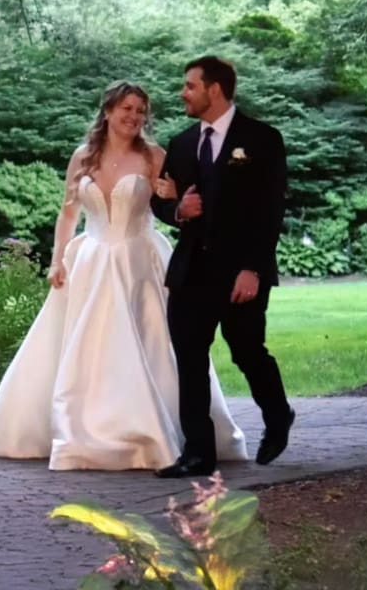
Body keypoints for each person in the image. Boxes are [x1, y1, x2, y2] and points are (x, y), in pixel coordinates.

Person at [0, 81, 247, 470]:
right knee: (87, 348)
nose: (134, 116)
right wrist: (57, 260)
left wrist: (173, 196)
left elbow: (178, 208)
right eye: (126, 108)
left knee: (150, 344)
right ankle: (83, 430)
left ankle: (150, 431)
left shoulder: (154, 156)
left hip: (139, 262)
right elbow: (68, 214)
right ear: (108, 111)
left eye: (140, 110)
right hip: (90, 261)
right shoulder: (83, 157)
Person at [150, 56, 294, 478]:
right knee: (190, 358)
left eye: (190, 86)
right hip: (191, 270)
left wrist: (253, 268)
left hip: (239, 273)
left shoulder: (262, 139)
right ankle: (198, 454)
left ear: (214, 89)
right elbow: (159, 200)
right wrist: (178, 210)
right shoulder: (181, 144)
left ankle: (278, 414)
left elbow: (271, 210)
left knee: (247, 351)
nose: (183, 93)